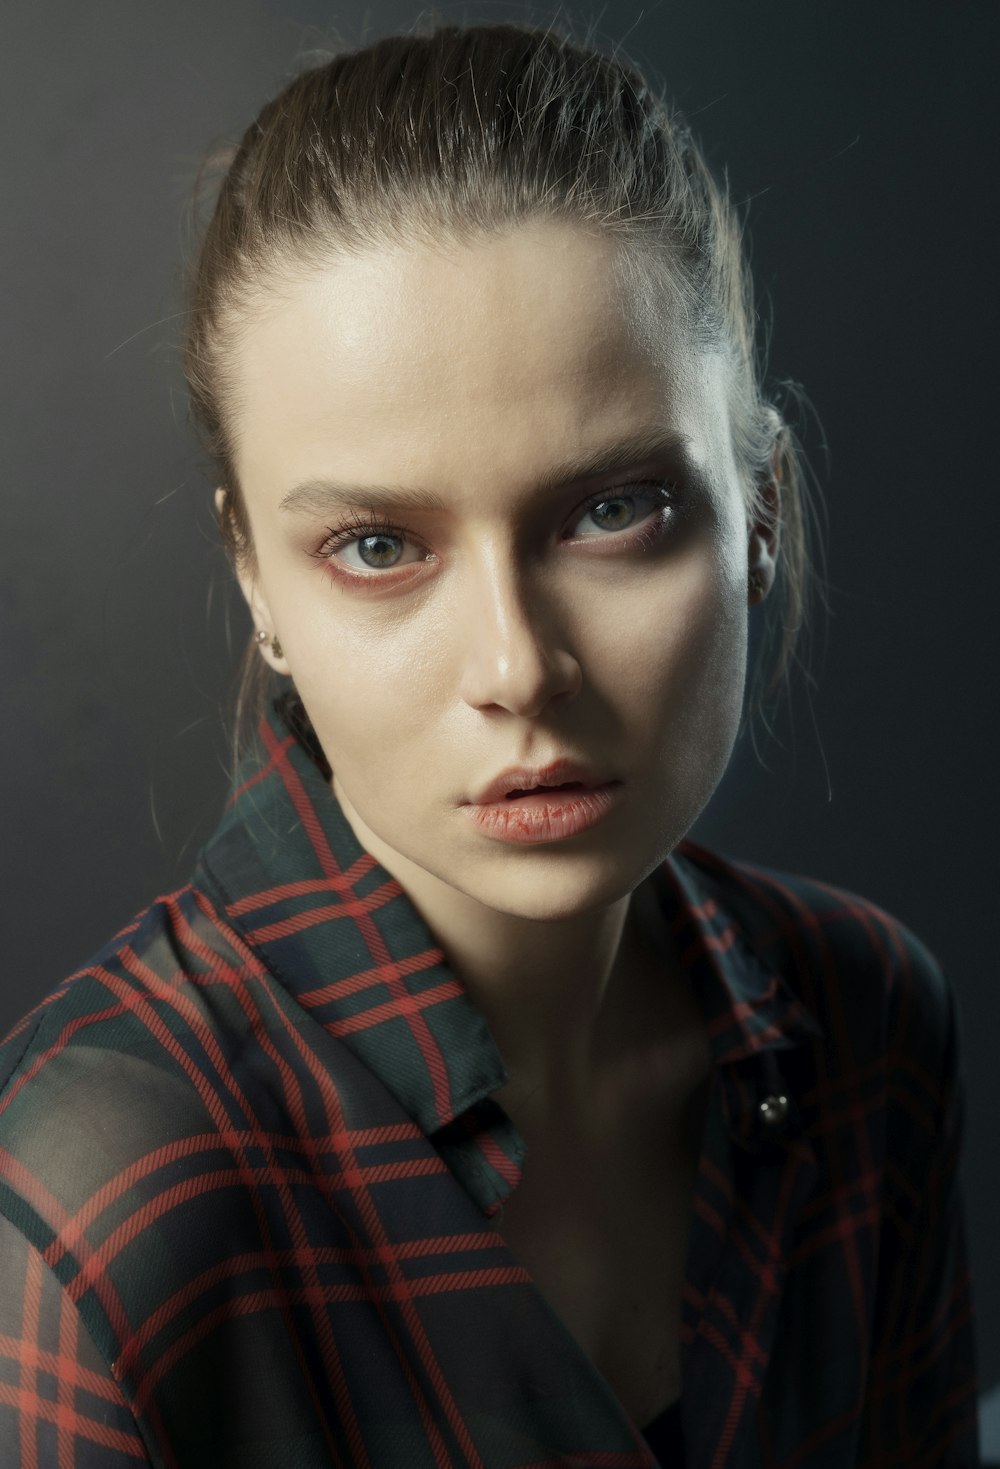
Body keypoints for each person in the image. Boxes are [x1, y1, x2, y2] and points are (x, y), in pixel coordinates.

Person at [0, 17, 980, 1468]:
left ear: (759, 512)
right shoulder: (102, 1215)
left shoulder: (865, 1027)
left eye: (610, 509)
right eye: (380, 543)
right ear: (256, 581)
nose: (517, 667)